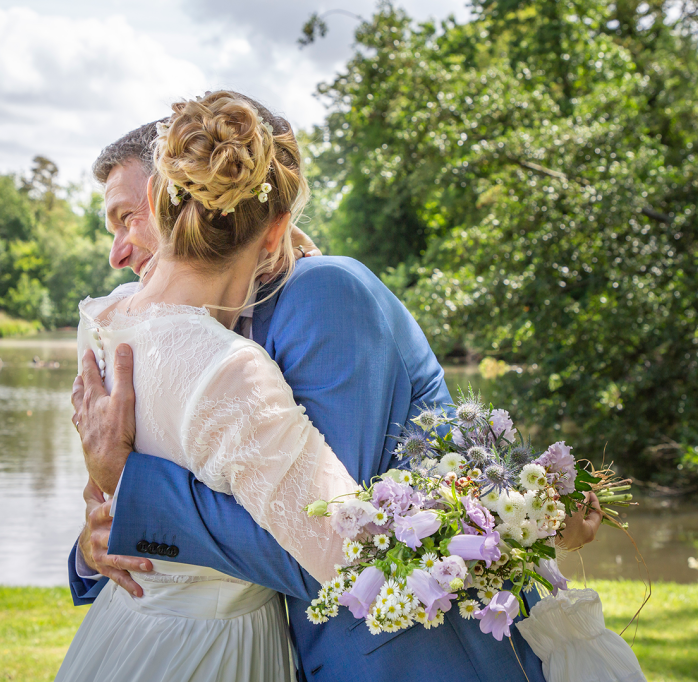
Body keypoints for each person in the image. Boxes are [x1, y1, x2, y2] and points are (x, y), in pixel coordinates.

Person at [67, 92, 604, 682]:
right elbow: (134, 517)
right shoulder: (143, 328)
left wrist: (133, 492)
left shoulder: (324, 295)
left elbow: (326, 543)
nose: (118, 254)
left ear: (170, 193)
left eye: (127, 218)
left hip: (411, 659)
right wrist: (96, 546)